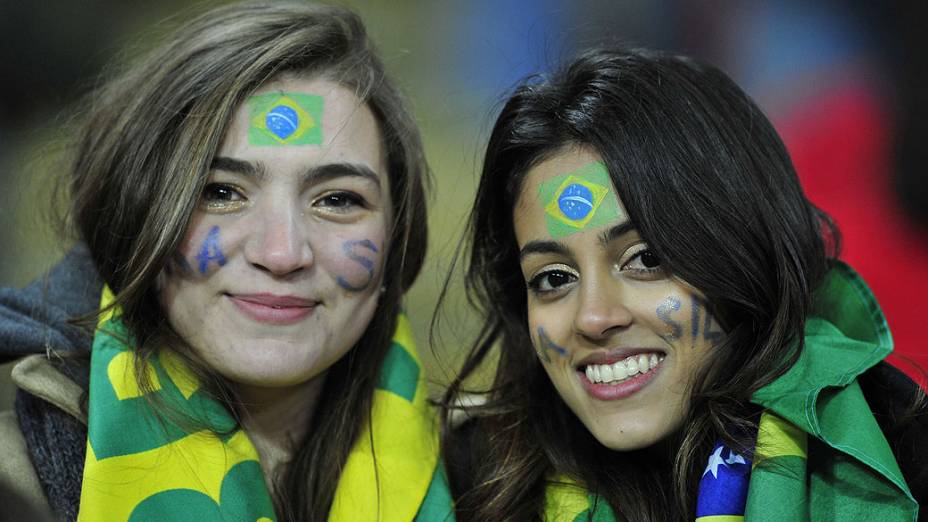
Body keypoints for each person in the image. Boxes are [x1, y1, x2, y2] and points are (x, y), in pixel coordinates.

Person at [0, 2, 453, 521]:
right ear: (135, 214)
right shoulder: (11, 487)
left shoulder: (498, 482)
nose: (281, 254)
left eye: (337, 200)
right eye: (221, 192)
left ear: (398, 240)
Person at [442, 47, 927, 521]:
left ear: (745, 250)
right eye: (553, 278)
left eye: (645, 259)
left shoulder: (904, 446)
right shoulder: (474, 481)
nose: (593, 316)